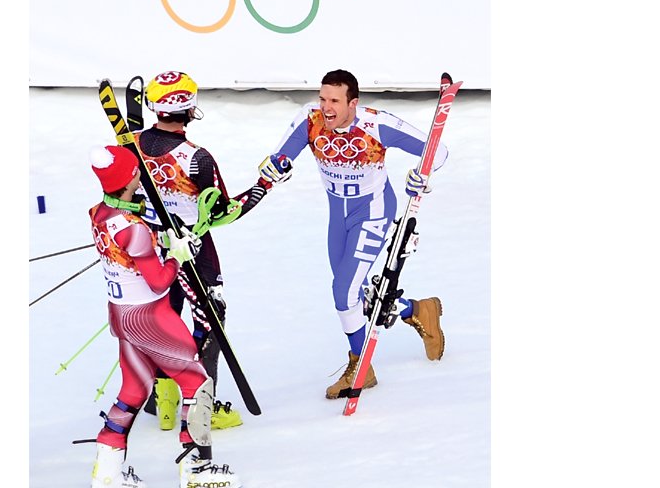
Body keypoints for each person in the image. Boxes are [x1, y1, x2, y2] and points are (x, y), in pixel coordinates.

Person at [258, 69, 448, 399]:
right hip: (338, 216)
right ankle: (416, 311)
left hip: (372, 213)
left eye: (334, 101)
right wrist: (275, 166)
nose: (326, 107)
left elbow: (438, 151)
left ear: (353, 103)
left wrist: (419, 175)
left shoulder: (376, 125)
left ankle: (361, 366)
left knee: (343, 293)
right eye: (322, 98)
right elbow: (280, 156)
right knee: (353, 296)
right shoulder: (310, 119)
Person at [88, 144, 242, 488]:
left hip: (121, 315)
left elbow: (130, 243)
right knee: (197, 383)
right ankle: (195, 471)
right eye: (136, 171)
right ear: (131, 178)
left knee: (133, 389)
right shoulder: (134, 228)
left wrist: (164, 242)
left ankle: (108, 471)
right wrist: (177, 255)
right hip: (150, 317)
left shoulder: (98, 213)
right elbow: (159, 280)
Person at [134, 71, 280, 431]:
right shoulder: (197, 158)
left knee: (162, 316)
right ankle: (201, 403)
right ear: (190, 109)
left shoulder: (131, 144)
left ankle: (161, 397)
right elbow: (223, 211)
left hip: (146, 246)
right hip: (192, 247)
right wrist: (266, 184)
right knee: (210, 318)